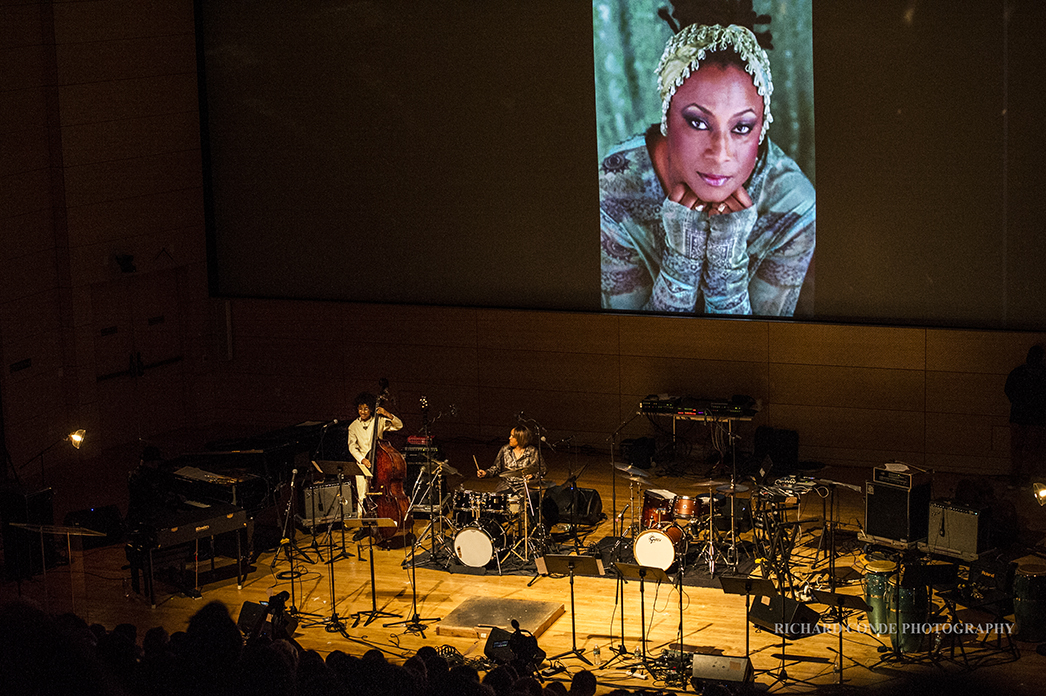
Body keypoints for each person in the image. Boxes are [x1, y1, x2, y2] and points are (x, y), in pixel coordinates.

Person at [600, 0, 815, 315]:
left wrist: (726, 269)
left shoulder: (792, 205)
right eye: (698, 122)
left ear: (762, 127)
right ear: (667, 117)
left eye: (741, 127)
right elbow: (628, 348)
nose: (721, 153)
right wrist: (681, 266)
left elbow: (756, 355)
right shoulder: (614, 188)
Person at [346, 391, 403, 514]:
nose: (363, 411)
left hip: (379, 463)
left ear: (371, 409)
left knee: (381, 494)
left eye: (366, 409)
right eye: (360, 409)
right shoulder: (353, 426)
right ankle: (362, 525)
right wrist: (362, 459)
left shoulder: (379, 421)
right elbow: (352, 447)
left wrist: (387, 414)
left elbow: (399, 425)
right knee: (362, 495)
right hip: (362, 465)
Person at [1004, 345, 1046, 488]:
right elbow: (1009, 389)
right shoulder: (1023, 373)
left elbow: (1008, 389)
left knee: (1021, 448)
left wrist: (1018, 402)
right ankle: (1024, 477)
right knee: (1029, 449)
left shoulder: (1019, 372)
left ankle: (1019, 477)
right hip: (1034, 417)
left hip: (1024, 415)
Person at [477, 425, 545, 493]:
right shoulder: (505, 449)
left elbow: (542, 469)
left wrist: (533, 475)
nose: (509, 438)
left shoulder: (532, 451)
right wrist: (486, 473)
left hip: (525, 486)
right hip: (506, 486)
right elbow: (496, 468)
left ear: (520, 438)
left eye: (512, 436)